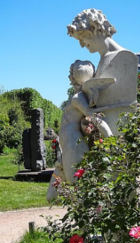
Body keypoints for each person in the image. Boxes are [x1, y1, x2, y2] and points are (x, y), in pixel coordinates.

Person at [46, 60, 114, 201]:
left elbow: (92, 115)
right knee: (78, 175)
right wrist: (109, 135)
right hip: (71, 137)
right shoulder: (78, 98)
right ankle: (83, 206)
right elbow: (93, 116)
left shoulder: (80, 96)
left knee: (77, 173)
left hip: (70, 136)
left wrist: (108, 134)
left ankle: (54, 195)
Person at [67, 8, 138, 135]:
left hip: (116, 136)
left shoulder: (124, 57)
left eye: (82, 38)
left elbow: (121, 106)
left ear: (94, 28)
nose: (82, 45)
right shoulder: (103, 61)